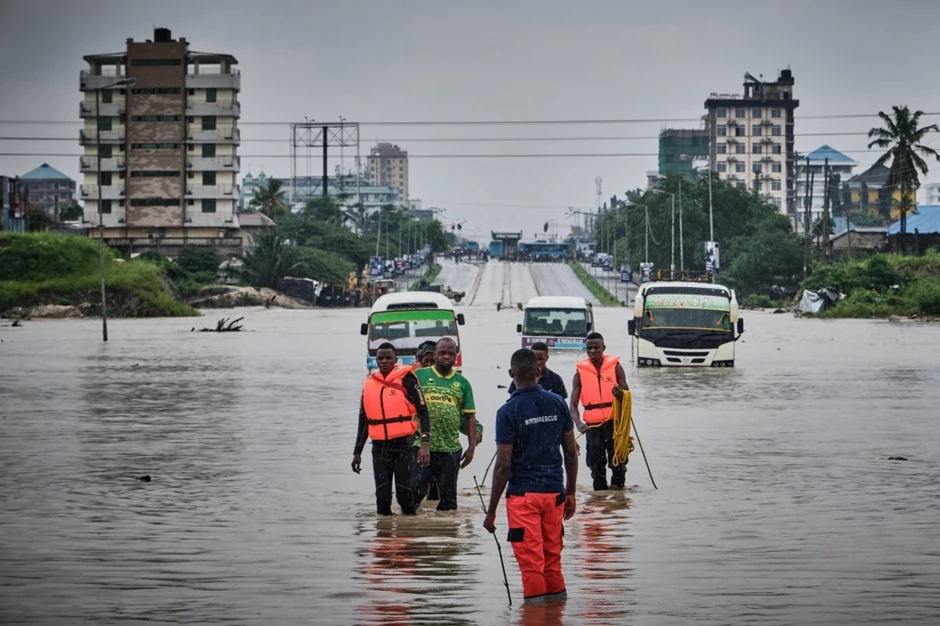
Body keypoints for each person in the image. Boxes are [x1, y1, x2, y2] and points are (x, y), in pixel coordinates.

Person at [484, 348, 578, 603]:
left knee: (531, 565)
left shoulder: (507, 411)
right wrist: (570, 492)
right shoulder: (557, 402)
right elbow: (571, 452)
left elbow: (503, 466)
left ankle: (535, 617)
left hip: (524, 497)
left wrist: (491, 510)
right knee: (552, 560)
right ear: (538, 371)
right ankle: (556, 616)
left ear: (511, 373)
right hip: (554, 494)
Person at [353, 343, 431, 515]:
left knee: (405, 500)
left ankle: (410, 534)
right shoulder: (369, 384)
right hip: (380, 448)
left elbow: (423, 413)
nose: (384, 361)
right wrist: (357, 452)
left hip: (404, 446)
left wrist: (425, 443)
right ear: (376, 360)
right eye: (380, 358)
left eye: (389, 358)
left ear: (396, 360)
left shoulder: (407, 379)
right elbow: (364, 420)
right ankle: (384, 537)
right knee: (382, 501)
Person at [413, 338, 477, 511]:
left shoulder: (463, 383)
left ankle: (447, 535)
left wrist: (471, 448)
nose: (446, 356)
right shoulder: (419, 376)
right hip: (421, 447)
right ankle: (415, 534)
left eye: (450, 353)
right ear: (435, 355)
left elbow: (470, 418)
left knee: (448, 504)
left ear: (456, 356)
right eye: (442, 353)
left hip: (450, 450)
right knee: (413, 497)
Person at [570, 332, 629, 491]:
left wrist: (621, 394)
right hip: (592, 427)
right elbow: (573, 406)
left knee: (618, 462)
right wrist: (579, 424)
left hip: (614, 424)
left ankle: (618, 498)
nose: (593, 351)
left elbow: (627, 395)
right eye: (589, 348)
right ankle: (600, 500)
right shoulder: (580, 373)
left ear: (604, 348)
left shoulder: (616, 367)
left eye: (597, 348)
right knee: (596, 466)